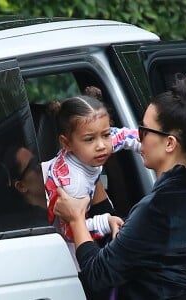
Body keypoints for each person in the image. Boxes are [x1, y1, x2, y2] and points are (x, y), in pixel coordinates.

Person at [53, 69, 186, 299]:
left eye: (144, 130)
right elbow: (131, 248)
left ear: (169, 144)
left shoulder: (159, 207)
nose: (137, 136)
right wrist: (92, 178)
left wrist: (76, 220)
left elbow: (98, 275)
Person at [41, 95, 140, 268]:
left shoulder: (94, 147)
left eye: (106, 134)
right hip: (69, 251)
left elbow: (125, 136)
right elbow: (71, 230)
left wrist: (152, 147)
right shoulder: (73, 184)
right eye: (90, 139)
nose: (101, 145)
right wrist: (106, 222)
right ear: (66, 143)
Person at [3, 145, 48, 227]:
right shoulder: (41, 227)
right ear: (21, 186)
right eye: (35, 165)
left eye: (39, 161)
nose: (42, 166)